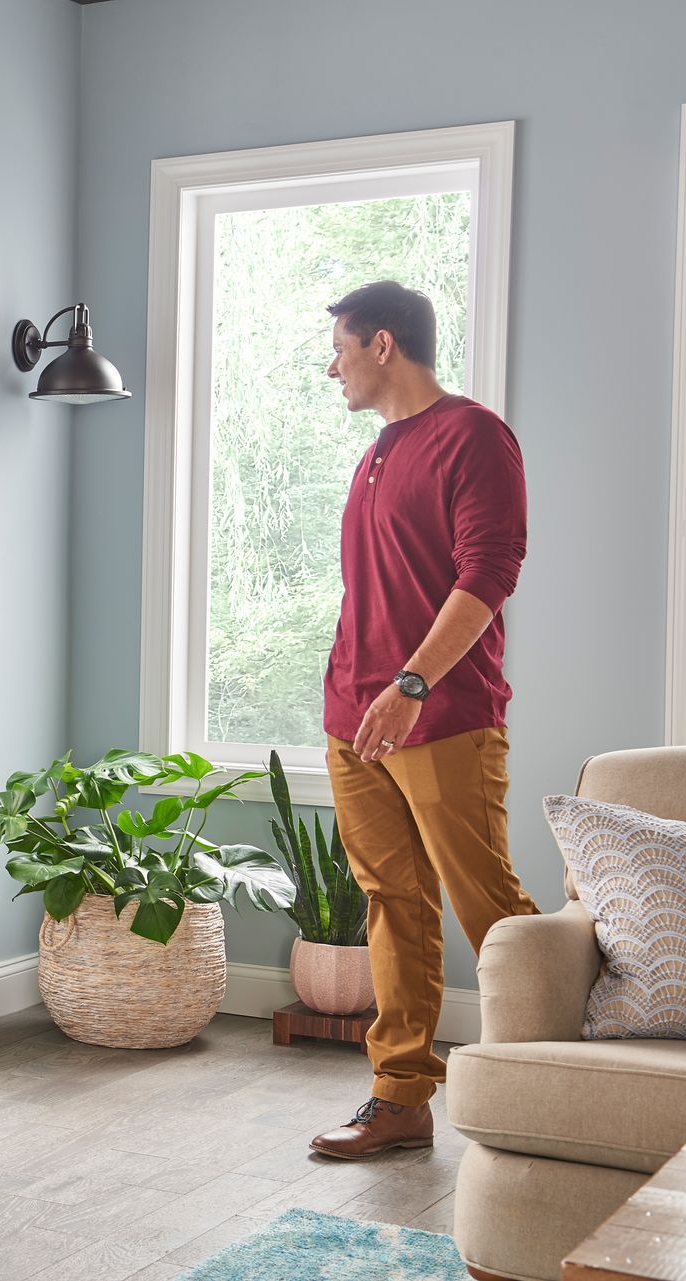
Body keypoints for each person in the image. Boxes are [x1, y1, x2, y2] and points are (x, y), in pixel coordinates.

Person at [309, 280, 536, 1161]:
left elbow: (488, 573)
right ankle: (400, 1095)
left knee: (491, 905)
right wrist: (351, 688)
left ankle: (555, 1068)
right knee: (391, 904)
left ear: (384, 345)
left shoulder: (473, 435)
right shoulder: (375, 454)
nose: (332, 367)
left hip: (438, 714)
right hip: (353, 719)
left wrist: (408, 684)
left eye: (340, 348)